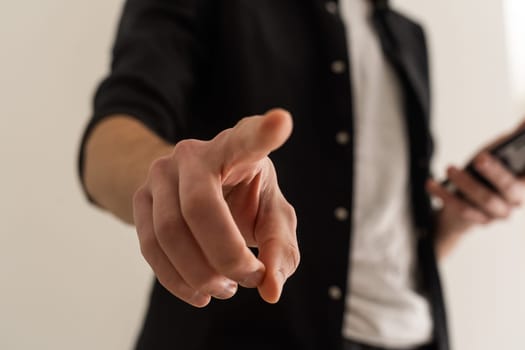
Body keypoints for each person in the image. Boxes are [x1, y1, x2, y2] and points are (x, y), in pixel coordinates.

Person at [78, 0, 525, 349]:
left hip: (417, 337)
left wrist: (460, 217)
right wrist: (175, 183)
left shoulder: (409, 37)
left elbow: (389, 239)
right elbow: (109, 141)